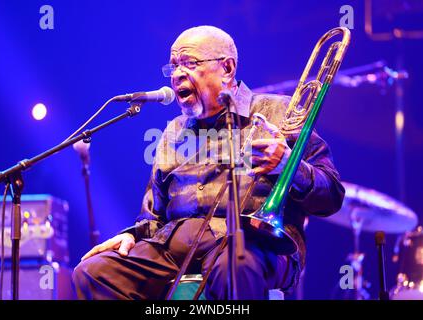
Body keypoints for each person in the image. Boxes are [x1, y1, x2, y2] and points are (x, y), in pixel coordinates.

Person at [72, 25, 345, 300]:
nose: (178, 74)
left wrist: (291, 167)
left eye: (190, 63)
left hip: (254, 244)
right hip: (175, 247)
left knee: (235, 263)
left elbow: (332, 196)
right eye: (174, 66)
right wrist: (131, 235)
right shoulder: (173, 132)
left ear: (227, 68)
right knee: (93, 272)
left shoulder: (278, 112)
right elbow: (153, 215)